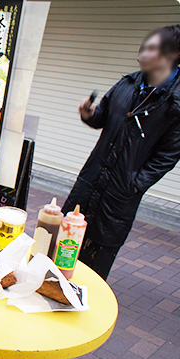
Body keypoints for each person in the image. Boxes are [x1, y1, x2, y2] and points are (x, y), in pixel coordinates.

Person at [64, 25, 180, 280]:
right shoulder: (128, 83)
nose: (143, 52)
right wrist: (90, 114)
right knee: (64, 240)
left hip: (119, 193)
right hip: (91, 179)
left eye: (152, 47)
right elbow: (102, 116)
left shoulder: (175, 103)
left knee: (95, 261)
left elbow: (168, 156)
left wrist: (134, 184)